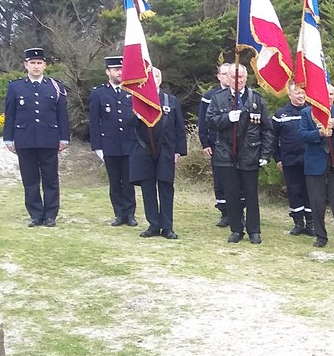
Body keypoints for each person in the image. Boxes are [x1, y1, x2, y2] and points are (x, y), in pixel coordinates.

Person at [206, 64, 274, 244]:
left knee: (251, 194)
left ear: (246, 77)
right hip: (226, 153)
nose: (238, 81)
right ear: (227, 78)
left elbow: (267, 129)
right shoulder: (218, 98)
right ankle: (236, 229)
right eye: (234, 77)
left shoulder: (256, 99)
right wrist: (228, 118)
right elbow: (210, 122)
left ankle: (254, 231)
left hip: (250, 153)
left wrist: (265, 155)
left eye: (241, 77)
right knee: (231, 194)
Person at [4, 47, 70, 227]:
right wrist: (8, 139)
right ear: (26, 65)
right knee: (30, 180)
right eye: (32, 63)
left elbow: (62, 115)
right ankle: (35, 214)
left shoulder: (55, 86)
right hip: (24, 139)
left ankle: (50, 215)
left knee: (51, 179)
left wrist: (64, 137)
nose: (36, 66)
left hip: (49, 139)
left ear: (45, 65)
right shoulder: (15, 87)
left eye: (39, 63)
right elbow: (10, 114)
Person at [130, 68, 186, 239]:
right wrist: (138, 114)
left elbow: (179, 128)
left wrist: (179, 151)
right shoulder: (135, 99)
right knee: (148, 189)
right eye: (150, 76)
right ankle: (153, 224)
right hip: (143, 151)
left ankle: (167, 227)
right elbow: (126, 123)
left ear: (161, 79)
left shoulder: (171, 100)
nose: (153, 79)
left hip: (166, 151)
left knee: (166, 188)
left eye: (156, 76)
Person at [300, 85, 334, 250]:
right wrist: (320, 134)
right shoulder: (307, 113)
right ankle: (320, 236)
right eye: (325, 93)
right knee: (317, 202)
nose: (328, 96)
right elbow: (302, 134)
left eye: (331, 94)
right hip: (315, 164)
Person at [88, 55, 138, 227]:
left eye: (121, 69)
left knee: (129, 181)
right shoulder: (99, 93)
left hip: (129, 144)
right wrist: (97, 147)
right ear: (107, 72)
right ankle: (119, 213)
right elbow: (94, 122)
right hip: (109, 145)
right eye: (116, 69)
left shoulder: (131, 91)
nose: (120, 72)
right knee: (115, 182)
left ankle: (130, 214)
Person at [272, 82, 312, 236]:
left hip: (309, 159)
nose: (301, 96)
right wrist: (277, 158)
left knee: (309, 191)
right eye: (297, 93)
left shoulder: (311, 112)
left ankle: (310, 223)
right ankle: (298, 223)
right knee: (294, 191)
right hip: (289, 160)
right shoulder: (280, 115)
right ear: (290, 95)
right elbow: (273, 138)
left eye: (303, 93)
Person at [198, 63, 233, 226]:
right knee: (220, 179)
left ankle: (239, 210)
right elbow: (203, 121)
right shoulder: (209, 96)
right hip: (216, 144)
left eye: (229, 74)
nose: (227, 77)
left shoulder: (239, 95)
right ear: (218, 76)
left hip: (236, 144)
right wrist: (205, 143)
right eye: (224, 74)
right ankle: (225, 211)